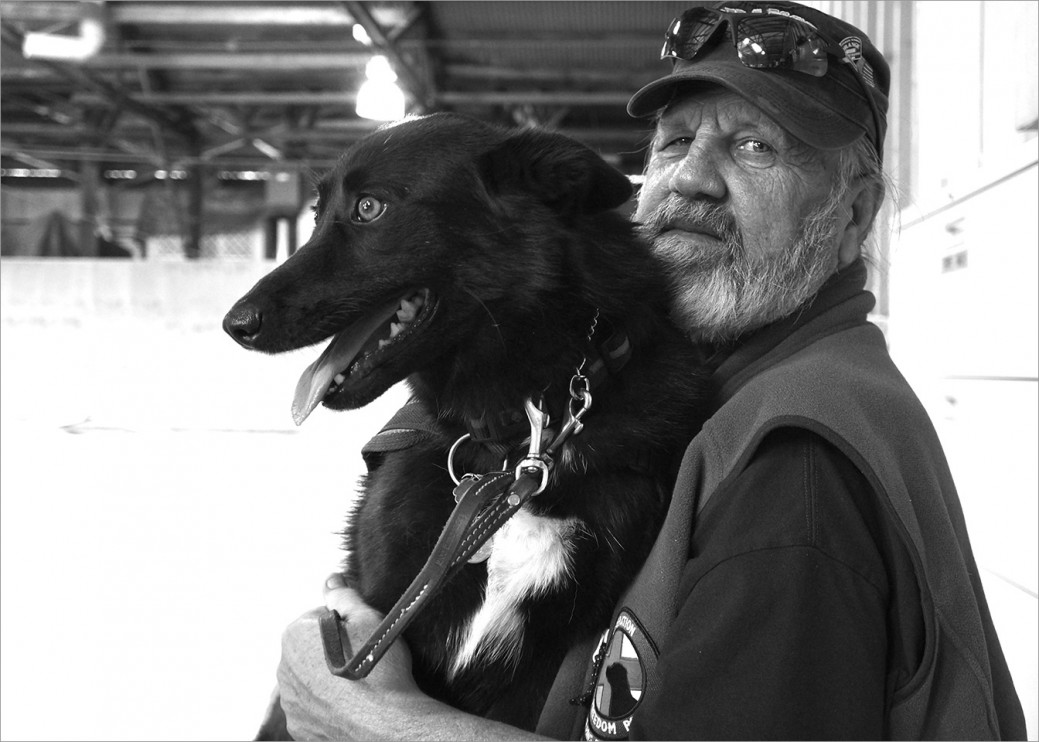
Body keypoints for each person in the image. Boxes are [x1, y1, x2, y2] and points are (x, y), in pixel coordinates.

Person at [264, 2, 1027, 739]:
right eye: (671, 144)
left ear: (853, 215)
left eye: (753, 147)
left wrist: (369, 720)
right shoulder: (657, 368)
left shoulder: (795, 463)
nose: (690, 179)